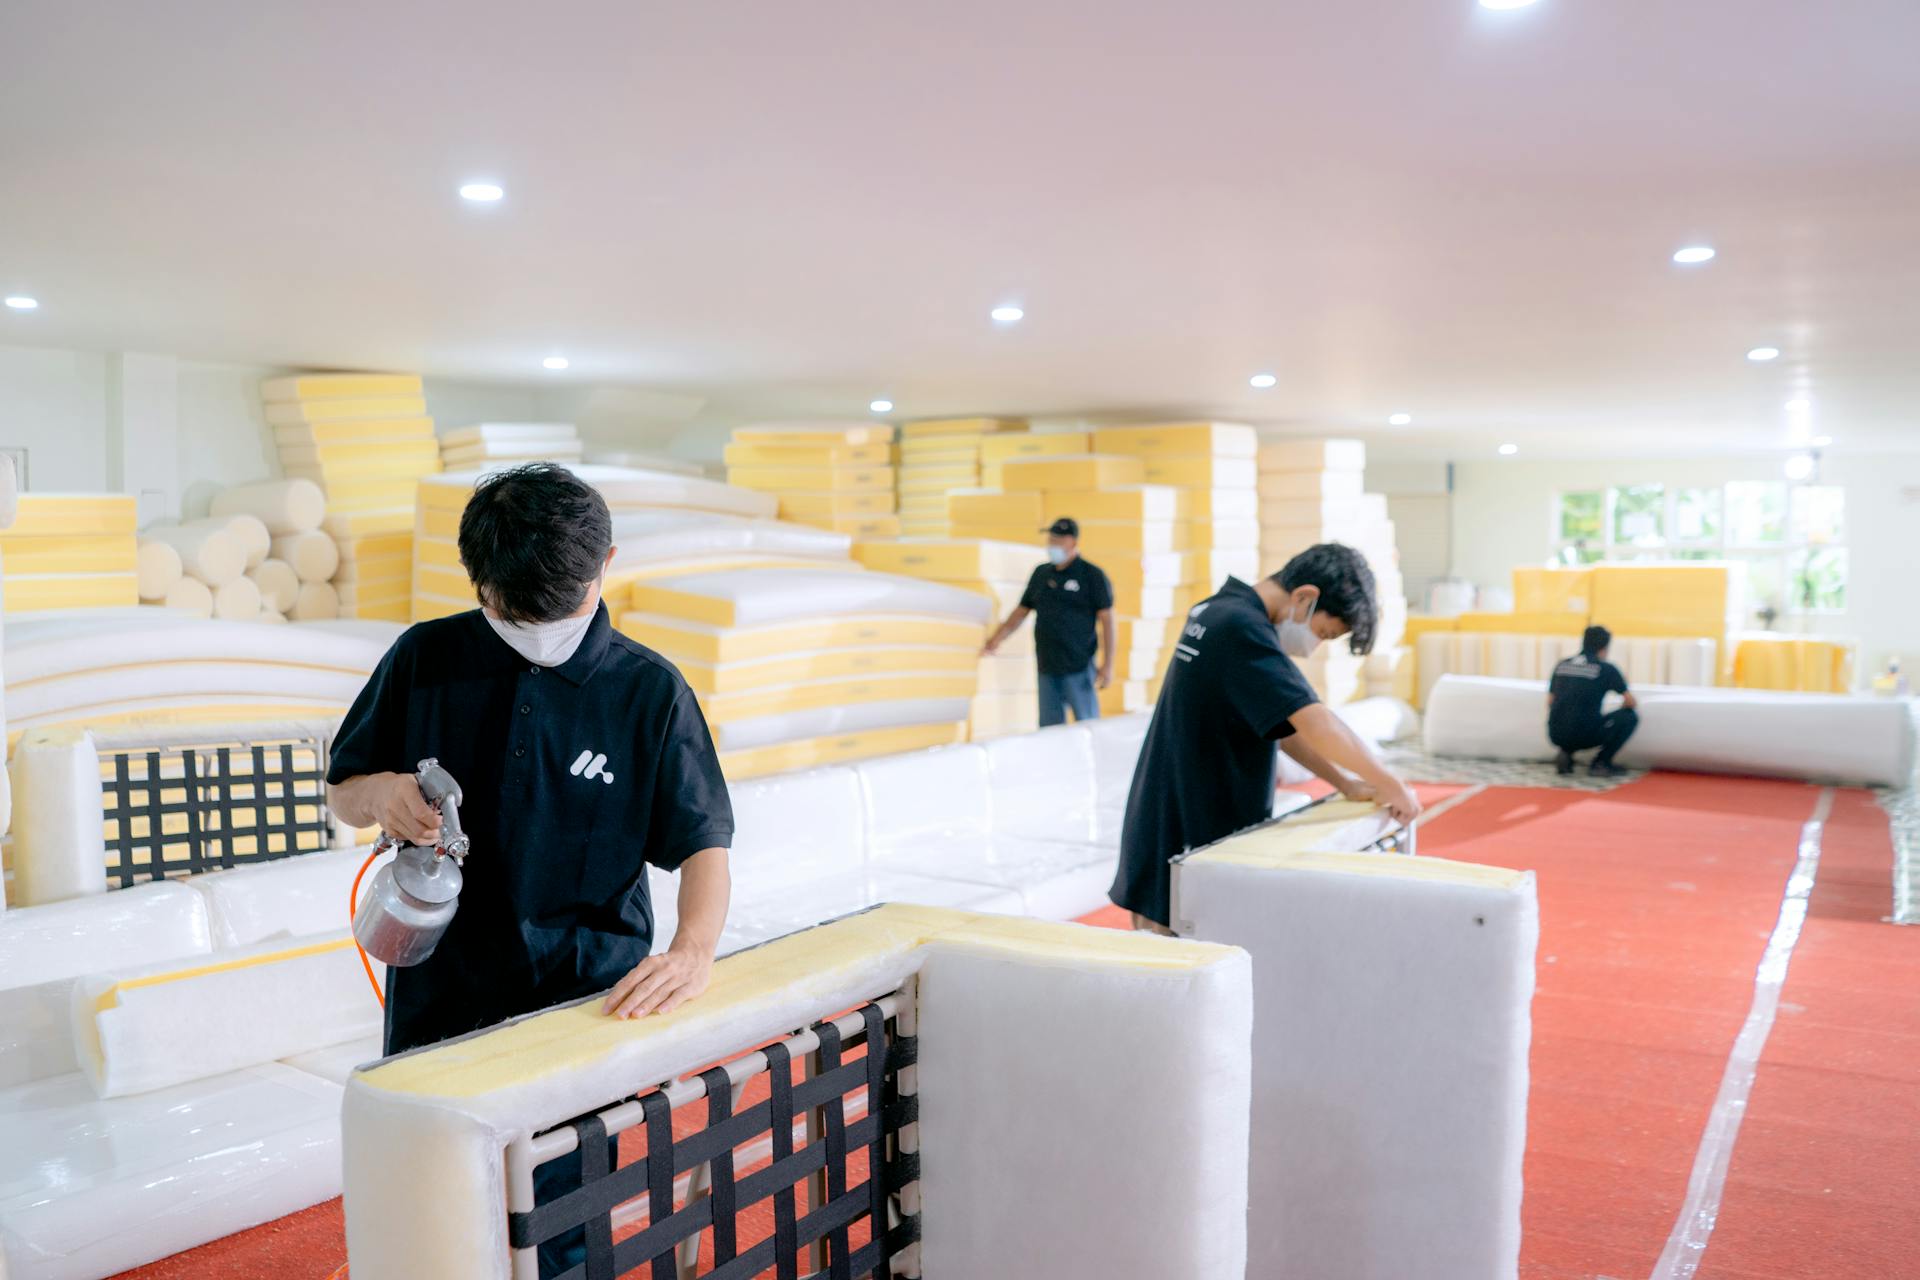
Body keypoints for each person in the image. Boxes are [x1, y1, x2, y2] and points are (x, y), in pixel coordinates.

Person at [325, 463, 732, 1277]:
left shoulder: (649, 692)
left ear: (606, 562)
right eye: (514, 612)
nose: (538, 629)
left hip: (585, 1003)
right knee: (433, 1209)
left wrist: (692, 951)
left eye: (560, 606)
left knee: (565, 1222)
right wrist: (384, 793)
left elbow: (703, 845)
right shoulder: (424, 658)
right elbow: (344, 790)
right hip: (441, 996)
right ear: (476, 578)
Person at [1112, 544, 1422, 933]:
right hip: (1188, 834)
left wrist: (1343, 782)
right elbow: (1316, 723)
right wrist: (1390, 784)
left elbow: (1281, 725)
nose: (1315, 646)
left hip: (1170, 821)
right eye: (1323, 634)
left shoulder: (1217, 610)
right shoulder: (1242, 629)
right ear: (1304, 597)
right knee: (1179, 966)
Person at [980, 517, 1116, 726]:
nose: (1051, 544)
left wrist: (1107, 664)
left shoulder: (1091, 575)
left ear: (1072, 542)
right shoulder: (1042, 574)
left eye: (1057, 540)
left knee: (1087, 725)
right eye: (1050, 539)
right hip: (1047, 666)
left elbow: (1107, 621)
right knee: (1049, 731)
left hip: (1078, 666)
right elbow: (1021, 611)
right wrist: (997, 638)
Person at [1548, 624, 1638, 777]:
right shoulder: (1605, 669)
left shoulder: (1562, 665)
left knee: (1571, 718)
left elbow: (1550, 702)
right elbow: (1630, 702)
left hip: (1555, 733)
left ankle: (1566, 753)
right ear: (1605, 647)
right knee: (1629, 716)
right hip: (1585, 735)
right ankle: (1601, 763)